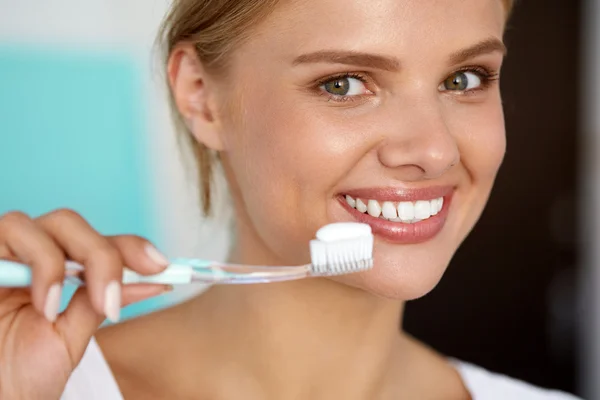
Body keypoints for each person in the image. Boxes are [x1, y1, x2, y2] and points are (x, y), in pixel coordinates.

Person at [0, 0, 582, 398]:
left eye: (465, 79)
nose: (434, 151)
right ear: (202, 97)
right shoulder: (41, 383)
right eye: (345, 84)